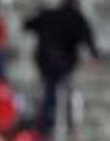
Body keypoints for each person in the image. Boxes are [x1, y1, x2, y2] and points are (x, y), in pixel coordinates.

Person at [25, 0, 99, 132]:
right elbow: (89, 41)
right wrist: (95, 55)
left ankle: (47, 125)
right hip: (61, 63)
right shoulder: (78, 18)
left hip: (46, 61)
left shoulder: (49, 15)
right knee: (57, 92)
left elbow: (27, 25)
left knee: (51, 92)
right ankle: (55, 125)